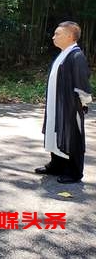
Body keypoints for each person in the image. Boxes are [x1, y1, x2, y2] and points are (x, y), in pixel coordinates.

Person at [35, 21, 92, 184]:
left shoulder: (76, 55)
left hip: (70, 104)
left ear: (69, 36)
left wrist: (83, 103)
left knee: (72, 134)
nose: (53, 37)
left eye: (57, 34)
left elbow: (82, 81)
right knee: (55, 129)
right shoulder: (63, 53)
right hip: (56, 103)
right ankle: (57, 165)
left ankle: (74, 172)